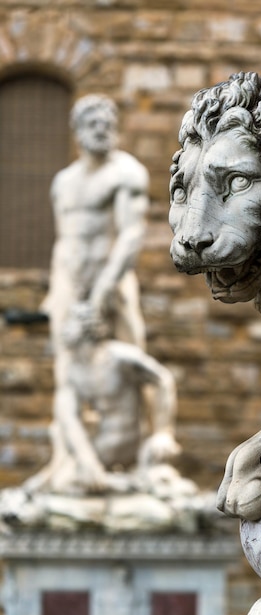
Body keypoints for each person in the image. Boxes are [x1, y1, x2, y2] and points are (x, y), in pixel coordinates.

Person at [25, 302, 180, 495]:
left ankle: (120, 483)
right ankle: (121, 484)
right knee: (62, 461)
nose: (63, 329)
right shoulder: (74, 370)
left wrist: (163, 432)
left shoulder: (119, 356)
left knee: (67, 481)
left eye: (70, 323)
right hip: (103, 443)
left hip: (130, 439)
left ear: (87, 325)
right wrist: (87, 460)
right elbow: (68, 418)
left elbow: (162, 379)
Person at [43, 94, 149, 352]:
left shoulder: (126, 173)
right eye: (93, 124)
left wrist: (103, 289)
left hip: (111, 278)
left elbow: (131, 234)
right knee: (67, 358)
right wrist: (58, 286)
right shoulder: (63, 182)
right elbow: (64, 238)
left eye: (107, 124)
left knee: (130, 355)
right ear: (78, 132)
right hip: (70, 279)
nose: (101, 130)